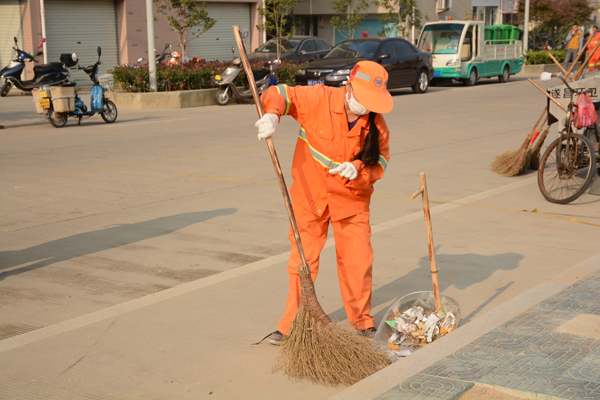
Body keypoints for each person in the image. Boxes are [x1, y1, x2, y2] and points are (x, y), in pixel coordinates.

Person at [254, 61, 392, 345]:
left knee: (358, 261)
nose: (365, 108)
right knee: (301, 264)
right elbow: (281, 92)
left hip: (351, 201)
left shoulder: (377, 125)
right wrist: (273, 115)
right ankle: (291, 324)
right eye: (362, 100)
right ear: (348, 87)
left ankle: (362, 320)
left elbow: (381, 162)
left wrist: (359, 170)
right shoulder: (319, 98)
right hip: (309, 196)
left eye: (371, 103)